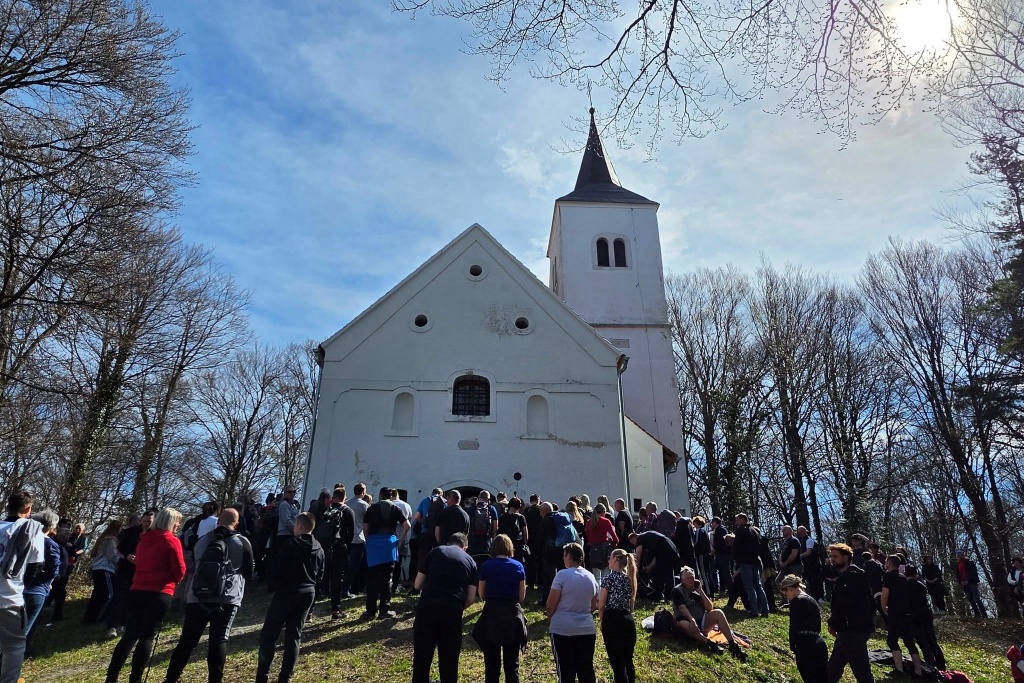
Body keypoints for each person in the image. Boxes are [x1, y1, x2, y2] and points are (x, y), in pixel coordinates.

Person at [162, 508, 254, 683]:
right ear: (237, 523)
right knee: (218, 640)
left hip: (197, 596)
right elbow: (249, 570)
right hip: (227, 597)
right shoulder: (242, 542)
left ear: (218, 521)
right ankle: (214, 680)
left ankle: (171, 678)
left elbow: (194, 566)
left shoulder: (203, 540)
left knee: (187, 640)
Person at [104, 507, 186, 683]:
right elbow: (180, 570)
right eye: (177, 522)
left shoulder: (143, 540)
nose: (179, 525)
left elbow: (139, 563)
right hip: (159, 592)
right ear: (170, 522)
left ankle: (111, 677)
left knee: (130, 635)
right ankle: (135, 678)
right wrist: (172, 578)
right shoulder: (171, 540)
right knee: (147, 636)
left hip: (137, 590)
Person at [255, 512, 324, 683]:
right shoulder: (319, 548)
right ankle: (285, 677)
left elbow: (276, 568)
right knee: (294, 635)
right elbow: (321, 574)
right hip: (308, 591)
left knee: (269, 635)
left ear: (300, 526)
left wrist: (272, 585)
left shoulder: (290, 544)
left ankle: (262, 676)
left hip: (287, 591)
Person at [412, 533, 479, 683]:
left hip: (427, 607)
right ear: (465, 548)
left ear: (449, 543)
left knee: (422, 656)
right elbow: (470, 598)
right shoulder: (471, 562)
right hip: (452, 610)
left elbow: (417, 584)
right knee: (449, 658)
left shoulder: (435, 551)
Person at [0, 491, 45, 683]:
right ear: (28, 509)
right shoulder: (32, 529)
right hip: (10, 598)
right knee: (15, 646)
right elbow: (35, 567)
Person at [472, 534, 528, 683]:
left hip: (492, 615)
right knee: (512, 664)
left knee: (491, 663)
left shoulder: (486, 566)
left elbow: (481, 593)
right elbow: (522, 595)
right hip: (512, 615)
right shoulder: (518, 566)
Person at [546, 542, 599, 683]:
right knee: (586, 670)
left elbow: (550, 605)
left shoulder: (561, 575)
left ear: (569, 556)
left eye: (564, 555)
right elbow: (593, 606)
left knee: (565, 671)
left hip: (563, 629)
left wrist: (550, 619)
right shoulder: (591, 576)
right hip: (586, 628)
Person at [825, 543, 875, 683]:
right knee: (833, 670)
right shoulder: (846, 578)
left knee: (862, 672)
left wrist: (833, 622)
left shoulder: (853, 577)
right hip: (847, 631)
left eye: (835, 556)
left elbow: (845, 605)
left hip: (854, 630)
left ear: (846, 558)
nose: (832, 559)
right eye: (831, 556)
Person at [671, 566, 746, 657]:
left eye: (693, 578)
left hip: (701, 620)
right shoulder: (677, 590)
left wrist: (701, 591)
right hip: (687, 621)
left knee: (718, 612)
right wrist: (692, 620)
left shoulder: (697, 590)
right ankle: (710, 643)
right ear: (682, 580)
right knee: (683, 624)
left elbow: (710, 608)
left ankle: (733, 645)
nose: (691, 580)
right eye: (688, 578)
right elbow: (682, 608)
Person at [360, 486, 410, 620]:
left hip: (374, 543)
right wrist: (400, 540)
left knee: (372, 578)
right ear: (391, 496)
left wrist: (368, 539)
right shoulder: (395, 508)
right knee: (387, 577)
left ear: (380, 496)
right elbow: (407, 525)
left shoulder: (372, 508)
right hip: (389, 543)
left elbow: (365, 528)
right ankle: (384, 609)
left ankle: (370, 611)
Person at [110, 508, 157, 636]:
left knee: (133, 598)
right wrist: (127, 556)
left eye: (150, 521)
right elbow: (118, 549)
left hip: (142, 571)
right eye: (145, 521)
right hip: (126, 568)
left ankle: (125, 623)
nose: (147, 524)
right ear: (141, 521)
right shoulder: (130, 532)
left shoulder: (155, 535)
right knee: (120, 595)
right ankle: (113, 625)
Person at [24, 509, 61, 654]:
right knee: (25, 631)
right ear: (51, 526)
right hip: (37, 590)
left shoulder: (25, 539)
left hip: (16, 588)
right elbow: (54, 569)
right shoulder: (50, 544)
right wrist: (49, 580)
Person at [779, 574, 828, 683]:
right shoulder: (812, 600)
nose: (787, 596)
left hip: (805, 645)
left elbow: (794, 625)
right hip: (819, 643)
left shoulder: (796, 602)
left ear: (790, 589)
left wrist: (793, 645)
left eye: (786, 593)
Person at [598, 548, 637, 683]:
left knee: (617, 663)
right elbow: (631, 604)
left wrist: (601, 620)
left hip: (612, 620)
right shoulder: (630, 579)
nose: (608, 560)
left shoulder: (609, 578)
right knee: (628, 660)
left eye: (610, 557)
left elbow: (601, 604)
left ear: (615, 560)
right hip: (628, 620)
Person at [881, 555, 922, 676]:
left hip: (895, 612)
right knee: (909, 642)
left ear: (889, 563)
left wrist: (883, 607)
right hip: (907, 614)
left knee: (892, 640)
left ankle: (899, 670)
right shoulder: (903, 578)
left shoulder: (888, 576)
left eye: (886, 562)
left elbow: (885, 595)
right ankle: (918, 671)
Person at [321, 487, 354, 619]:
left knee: (321, 577)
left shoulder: (326, 510)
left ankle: (309, 613)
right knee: (336, 579)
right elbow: (351, 533)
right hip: (339, 548)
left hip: (323, 546)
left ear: (333, 497)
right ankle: (335, 610)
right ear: (344, 497)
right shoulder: (347, 511)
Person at [905, 565, 945, 671]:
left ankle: (930, 663)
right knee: (932, 641)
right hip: (926, 614)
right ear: (915, 574)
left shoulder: (904, 586)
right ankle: (941, 662)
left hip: (915, 616)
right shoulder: (921, 585)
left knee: (923, 642)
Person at [84, 520, 123, 626]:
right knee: (109, 595)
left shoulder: (104, 538)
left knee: (98, 594)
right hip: (105, 569)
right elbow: (112, 556)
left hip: (98, 569)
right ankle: (100, 618)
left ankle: (90, 619)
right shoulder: (110, 540)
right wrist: (124, 560)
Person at [733, 513, 769, 617]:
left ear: (742, 519)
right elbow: (760, 545)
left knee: (749, 587)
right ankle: (765, 611)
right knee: (758, 586)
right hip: (755, 561)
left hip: (745, 562)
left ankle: (754, 610)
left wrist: (736, 558)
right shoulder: (755, 531)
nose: (736, 523)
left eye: (737, 520)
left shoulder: (741, 530)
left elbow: (736, 545)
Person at [339, 482, 370, 598]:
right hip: (359, 537)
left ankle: (344, 587)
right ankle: (348, 589)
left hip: (347, 538)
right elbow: (367, 522)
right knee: (354, 566)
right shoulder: (364, 505)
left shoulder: (346, 504)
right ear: (363, 492)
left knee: (346, 565)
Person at [629, 530, 679, 602]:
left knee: (660, 574)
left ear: (634, 538)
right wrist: (650, 566)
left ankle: (660, 595)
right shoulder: (650, 537)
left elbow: (638, 556)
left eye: (633, 543)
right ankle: (667, 595)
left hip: (665, 550)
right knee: (668, 574)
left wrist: (635, 570)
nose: (634, 545)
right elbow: (657, 556)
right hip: (670, 548)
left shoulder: (640, 538)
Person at [584, 503, 617, 582]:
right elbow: (615, 538)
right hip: (604, 550)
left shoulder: (589, 523)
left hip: (593, 550)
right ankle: (605, 593)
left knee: (596, 577)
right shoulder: (606, 521)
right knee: (606, 576)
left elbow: (588, 538)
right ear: (603, 512)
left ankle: (598, 594)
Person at [389, 489, 414, 591]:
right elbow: (409, 521)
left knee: (388, 562)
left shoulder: (389, 504)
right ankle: (395, 585)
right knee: (399, 563)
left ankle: (387, 584)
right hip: (402, 534)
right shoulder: (406, 505)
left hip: (390, 533)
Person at [955, 549, 987, 617]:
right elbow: (957, 574)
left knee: (977, 598)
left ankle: (984, 614)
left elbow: (973, 573)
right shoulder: (958, 565)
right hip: (964, 583)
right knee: (970, 599)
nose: (960, 556)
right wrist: (961, 581)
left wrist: (968, 580)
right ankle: (977, 614)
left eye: (961, 555)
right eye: (959, 555)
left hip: (971, 582)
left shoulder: (969, 563)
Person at [497, 497, 529, 563]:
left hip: (504, 547)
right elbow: (525, 533)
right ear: (519, 507)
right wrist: (524, 544)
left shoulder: (502, 517)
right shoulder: (521, 517)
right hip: (517, 547)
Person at [796, 526, 825, 601]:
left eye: (801, 532)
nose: (799, 533)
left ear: (805, 531)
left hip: (813, 565)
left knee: (815, 582)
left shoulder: (809, 540)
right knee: (808, 582)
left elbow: (808, 552)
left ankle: (819, 598)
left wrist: (798, 557)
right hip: (807, 565)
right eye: (799, 532)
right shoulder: (801, 540)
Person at [469, 490, 500, 558]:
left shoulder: (471, 509)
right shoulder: (491, 509)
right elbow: (495, 526)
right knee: (486, 558)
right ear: (488, 499)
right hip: (486, 540)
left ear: (478, 497)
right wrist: (492, 536)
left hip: (473, 539)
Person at [710, 517, 732, 597]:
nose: (711, 524)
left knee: (725, 572)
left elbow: (721, 542)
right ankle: (722, 588)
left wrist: (714, 549)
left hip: (723, 554)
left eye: (712, 522)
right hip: (721, 554)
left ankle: (731, 590)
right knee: (720, 571)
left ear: (716, 522)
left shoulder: (720, 530)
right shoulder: (721, 530)